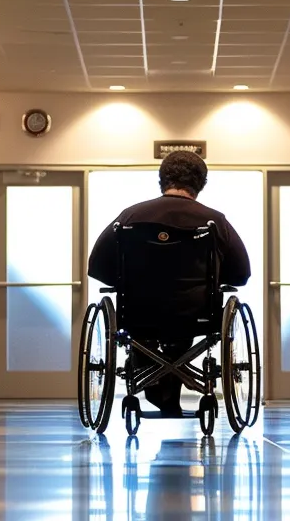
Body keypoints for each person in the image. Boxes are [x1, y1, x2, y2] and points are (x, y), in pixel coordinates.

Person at [87, 151, 250, 417]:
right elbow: (241, 275)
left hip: (138, 314)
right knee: (182, 331)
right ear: (201, 184)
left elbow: (97, 267)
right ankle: (171, 379)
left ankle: (153, 376)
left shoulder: (130, 217)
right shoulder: (215, 221)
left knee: (146, 333)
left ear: (161, 180)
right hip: (197, 315)